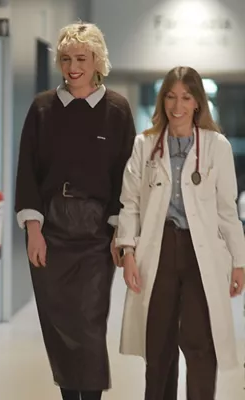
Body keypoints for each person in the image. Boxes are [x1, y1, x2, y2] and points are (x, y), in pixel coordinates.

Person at [15, 22, 136, 400]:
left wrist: (120, 233)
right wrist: (33, 230)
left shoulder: (117, 109)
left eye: (81, 58)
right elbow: (27, 172)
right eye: (66, 59)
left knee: (89, 325)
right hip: (51, 228)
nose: (73, 67)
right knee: (58, 324)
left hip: (97, 232)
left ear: (98, 60)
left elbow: (126, 177)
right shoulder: (42, 108)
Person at [116, 66, 245, 400]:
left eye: (186, 98)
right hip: (159, 248)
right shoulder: (144, 145)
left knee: (200, 341)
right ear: (162, 100)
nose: (178, 106)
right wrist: (127, 252)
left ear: (198, 102)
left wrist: (239, 262)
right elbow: (130, 203)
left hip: (202, 254)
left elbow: (227, 210)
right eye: (171, 97)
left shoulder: (216, 146)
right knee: (158, 342)